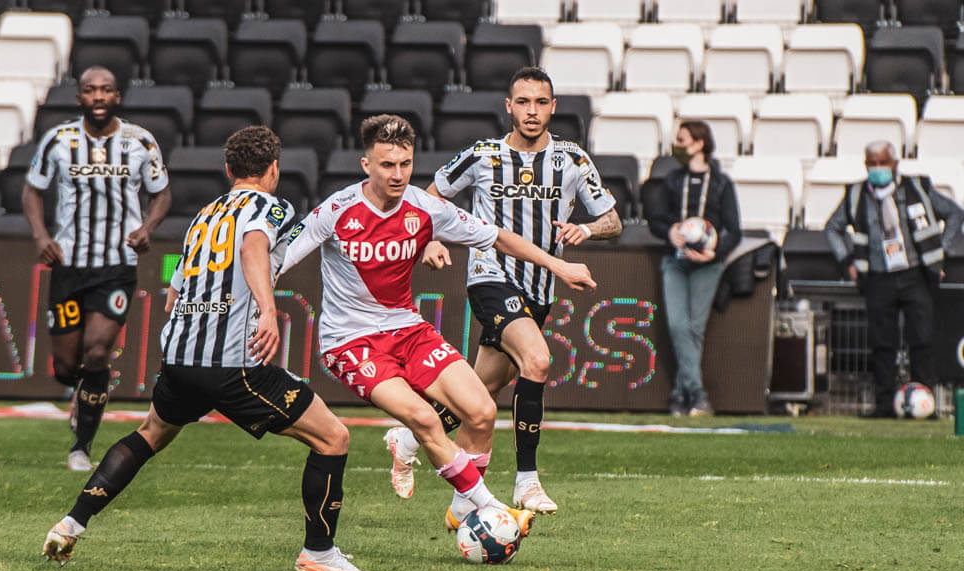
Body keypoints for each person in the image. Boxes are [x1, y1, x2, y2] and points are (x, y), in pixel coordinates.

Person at [42, 125, 371, 571]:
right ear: (274, 169)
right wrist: (266, 310)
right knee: (333, 437)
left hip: (180, 359)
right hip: (233, 365)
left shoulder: (204, 215)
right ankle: (319, 552)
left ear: (228, 169)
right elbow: (253, 246)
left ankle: (71, 524)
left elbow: (174, 294)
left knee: (150, 434)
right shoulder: (271, 206)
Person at [278, 114, 597, 534]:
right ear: (366, 165)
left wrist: (559, 266)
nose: (397, 174)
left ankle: (463, 512)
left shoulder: (425, 207)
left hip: (408, 330)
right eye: (387, 165)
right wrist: (256, 308)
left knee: (482, 412)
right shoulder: (336, 210)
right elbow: (278, 260)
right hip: (350, 341)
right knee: (425, 419)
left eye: (405, 164)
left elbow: (498, 237)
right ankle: (494, 511)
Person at [384, 66, 622, 514]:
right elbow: (430, 196)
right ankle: (526, 482)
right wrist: (431, 239)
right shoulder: (483, 155)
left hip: (539, 289)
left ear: (553, 107)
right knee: (538, 360)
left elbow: (613, 220)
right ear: (508, 106)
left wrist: (587, 230)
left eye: (541, 102)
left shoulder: (572, 159)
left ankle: (412, 443)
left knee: (479, 394)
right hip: (490, 276)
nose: (532, 111)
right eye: (523, 102)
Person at [23, 66, 171, 471]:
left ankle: (81, 446)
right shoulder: (59, 140)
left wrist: (147, 228)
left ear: (117, 96)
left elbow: (161, 193)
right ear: (80, 99)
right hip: (69, 264)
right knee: (65, 367)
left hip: (116, 266)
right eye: (90, 90)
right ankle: (80, 393)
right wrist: (41, 236)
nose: (99, 96)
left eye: (106, 89)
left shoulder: (140, 141)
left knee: (98, 351)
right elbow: (33, 190)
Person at [824, 140, 963, 417]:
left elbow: (955, 214)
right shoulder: (856, 194)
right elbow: (832, 228)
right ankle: (884, 404)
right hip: (877, 276)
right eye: (872, 164)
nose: (878, 169)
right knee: (882, 343)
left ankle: (924, 401)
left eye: (882, 163)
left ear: (895, 164)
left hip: (916, 274)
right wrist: (847, 262)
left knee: (921, 339)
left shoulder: (918, 188)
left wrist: (940, 253)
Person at [646, 121, 741, 416]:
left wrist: (714, 252)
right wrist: (669, 232)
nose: (677, 146)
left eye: (682, 140)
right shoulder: (673, 180)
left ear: (700, 144)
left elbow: (734, 231)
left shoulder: (721, 184)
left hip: (707, 265)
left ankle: (680, 395)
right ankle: (697, 395)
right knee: (678, 325)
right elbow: (656, 219)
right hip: (675, 261)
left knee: (694, 329)